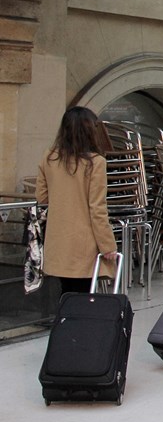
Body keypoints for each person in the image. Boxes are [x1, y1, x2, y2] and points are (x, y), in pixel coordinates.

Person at [35, 106, 119, 295]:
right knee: (83, 297)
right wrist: (108, 246)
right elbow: (97, 208)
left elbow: (41, 197)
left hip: (57, 242)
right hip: (84, 243)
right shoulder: (96, 162)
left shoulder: (49, 157)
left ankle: (64, 324)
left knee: (66, 294)